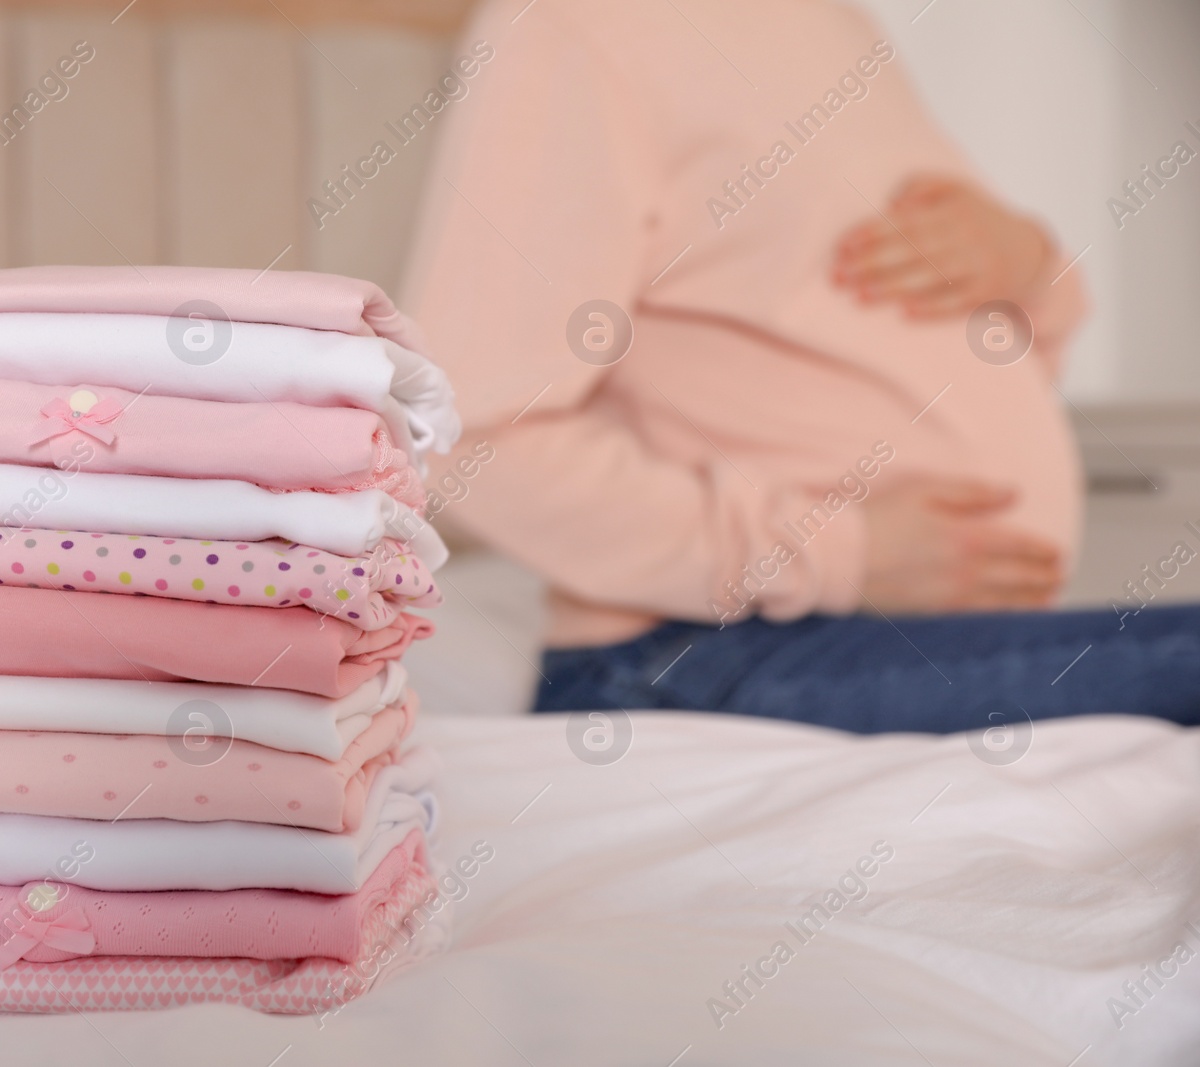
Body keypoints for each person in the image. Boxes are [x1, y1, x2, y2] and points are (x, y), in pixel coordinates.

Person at [401, 0, 1200, 732]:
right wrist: (832, 553)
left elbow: (914, 339)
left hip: (890, 631)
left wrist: (1030, 267)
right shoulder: (575, 25)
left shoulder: (829, 21)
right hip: (695, 654)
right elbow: (465, 435)